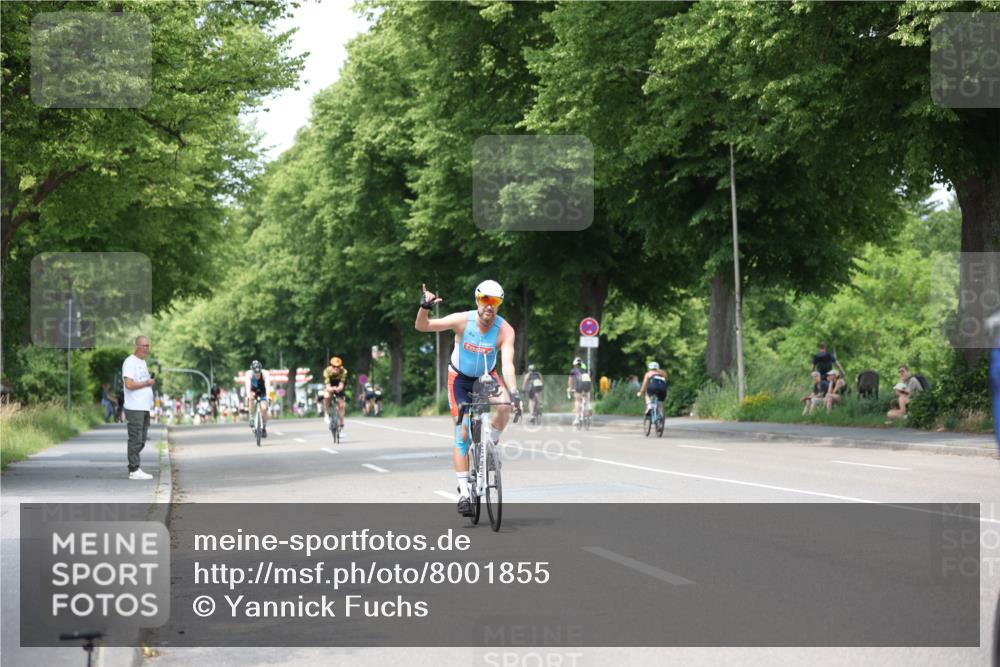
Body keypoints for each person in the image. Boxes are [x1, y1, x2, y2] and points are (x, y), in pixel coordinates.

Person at [415, 280, 520, 517]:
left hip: (487, 377)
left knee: (505, 406)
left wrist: (514, 392)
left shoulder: (505, 330)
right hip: (460, 379)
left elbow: (508, 366)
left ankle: (491, 443)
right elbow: (424, 326)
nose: (489, 306)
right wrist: (424, 307)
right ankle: (464, 492)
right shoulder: (463, 320)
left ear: (499, 304)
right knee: (462, 433)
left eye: (495, 302)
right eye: (485, 300)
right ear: (477, 300)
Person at [122, 336, 155, 480]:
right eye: (143, 345)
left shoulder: (143, 363)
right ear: (136, 346)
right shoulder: (130, 362)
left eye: (148, 346)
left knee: (141, 439)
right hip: (134, 407)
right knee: (136, 438)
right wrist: (147, 383)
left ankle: (134, 467)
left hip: (143, 407)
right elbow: (129, 384)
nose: (146, 348)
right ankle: (134, 469)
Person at [245, 360, 271, 437]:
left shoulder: (265, 373)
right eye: (255, 373)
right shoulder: (248, 374)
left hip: (262, 390)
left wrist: (268, 395)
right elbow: (248, 386)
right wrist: (248, 395)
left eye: (258, 373)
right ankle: (251, 417)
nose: (257, 375)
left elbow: (267, 384)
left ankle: (264, 426)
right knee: (251, 398)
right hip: (253, 390)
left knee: (264, 408)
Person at [323, 356, 349, 432]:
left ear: (340, 367)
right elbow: (327, 386)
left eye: (338, 367)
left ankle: (341, 425)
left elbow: (341, 384)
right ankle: (326, 414)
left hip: (338, 385)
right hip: (330, 384)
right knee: (327, 396)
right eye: (334, 366)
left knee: (341, 405)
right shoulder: (327, 371)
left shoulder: (344, 371)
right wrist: (332, 389)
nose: (336, 368)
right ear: (331, 366)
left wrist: (338, 388)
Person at [566, 357, 592, 427]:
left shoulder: (573, 370)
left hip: (580, 384)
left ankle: (577, 418)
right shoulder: (586, 368)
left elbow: (570, 381)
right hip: (587, 383)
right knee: (587, 394)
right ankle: (589, 405)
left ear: (575, 364)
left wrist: (570, 388)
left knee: (577, 400)